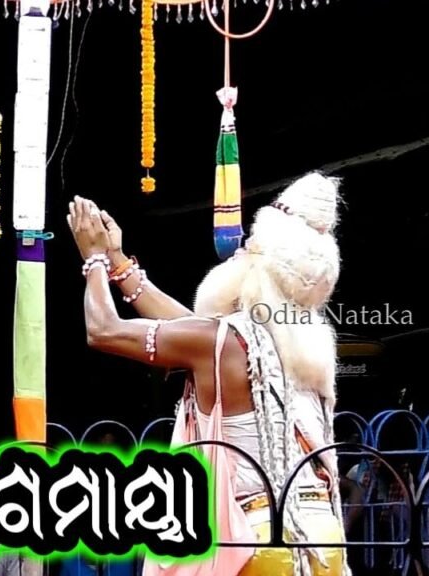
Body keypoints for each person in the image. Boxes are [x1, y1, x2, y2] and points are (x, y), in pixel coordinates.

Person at [67, 172, 351, 576]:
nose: (237, 255)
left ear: (258, 269)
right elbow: (193, 329)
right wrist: (119, 262)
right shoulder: (300, 339)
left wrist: (93, 259)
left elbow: (103, 330)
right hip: (321, 535)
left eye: (247, 249)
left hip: (256, 540)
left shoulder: (221, 343)